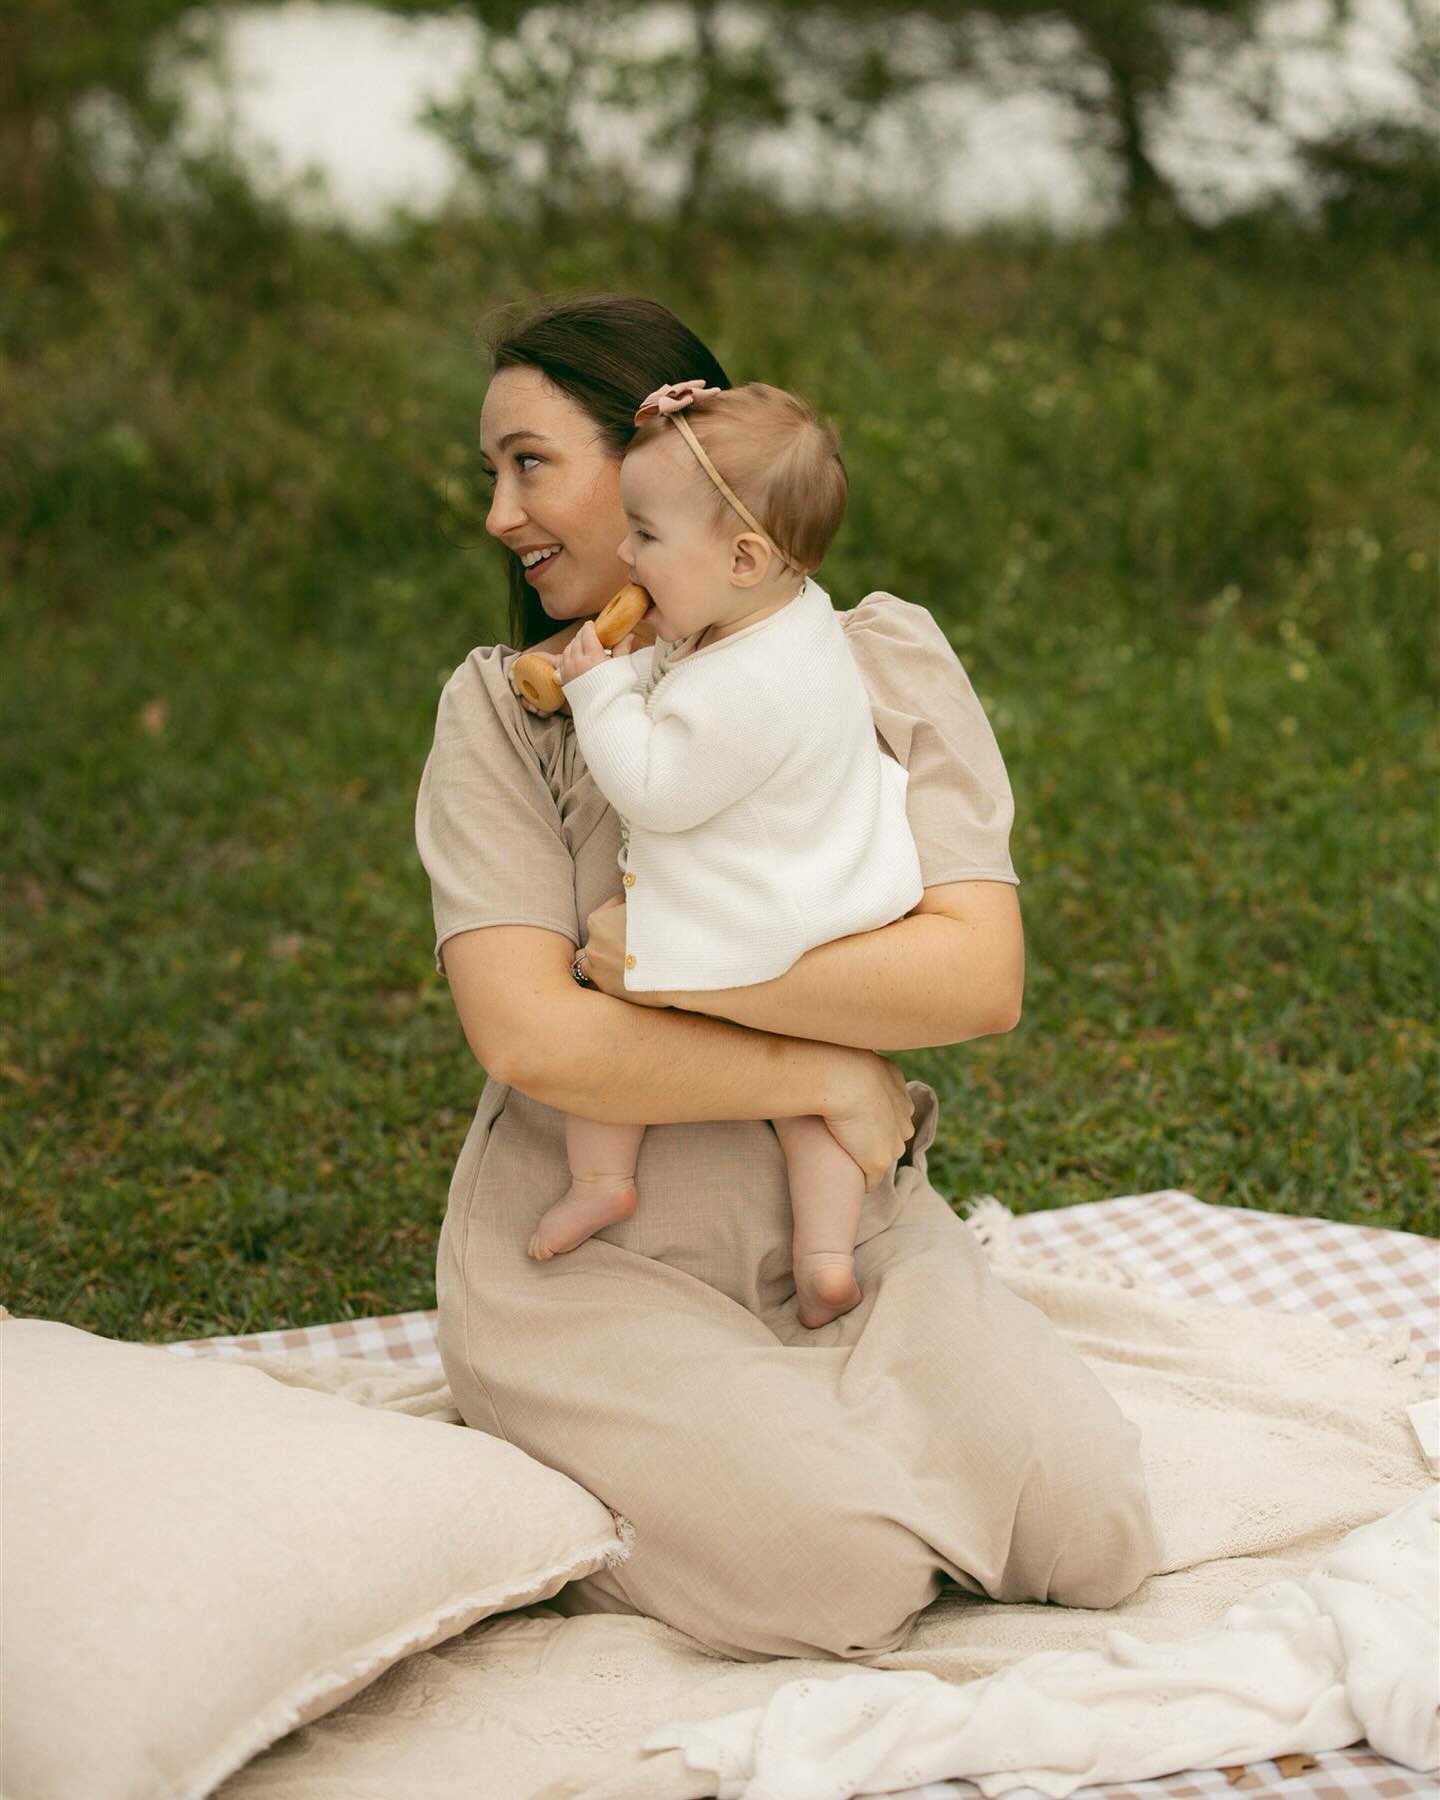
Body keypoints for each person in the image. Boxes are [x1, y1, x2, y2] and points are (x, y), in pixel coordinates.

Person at [414, 293, 1163, 1663]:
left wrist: (665, 971)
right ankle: (600, 1470)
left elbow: (972, 979)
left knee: (1092, 1534)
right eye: (493, 474)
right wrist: (820, 1057)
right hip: (599, 1262)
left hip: (852, 1219)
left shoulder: (873, 661)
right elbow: (534, 1032)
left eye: (532, 465)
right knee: (834, 1579)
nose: (499, 517)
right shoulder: (511, 713)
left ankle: (797, 1426)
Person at [521, 375, 927, 1331]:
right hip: (820, 894)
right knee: (810, 1091)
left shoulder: (748, 680)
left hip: (747, 912)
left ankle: (602, 1176)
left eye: (647, 538)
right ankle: (827, 1258)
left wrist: (600, 695)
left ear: (744, 555)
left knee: (610, 1006)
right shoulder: (781, 621)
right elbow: (696, 673)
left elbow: (658, 791)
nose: (624, 554)